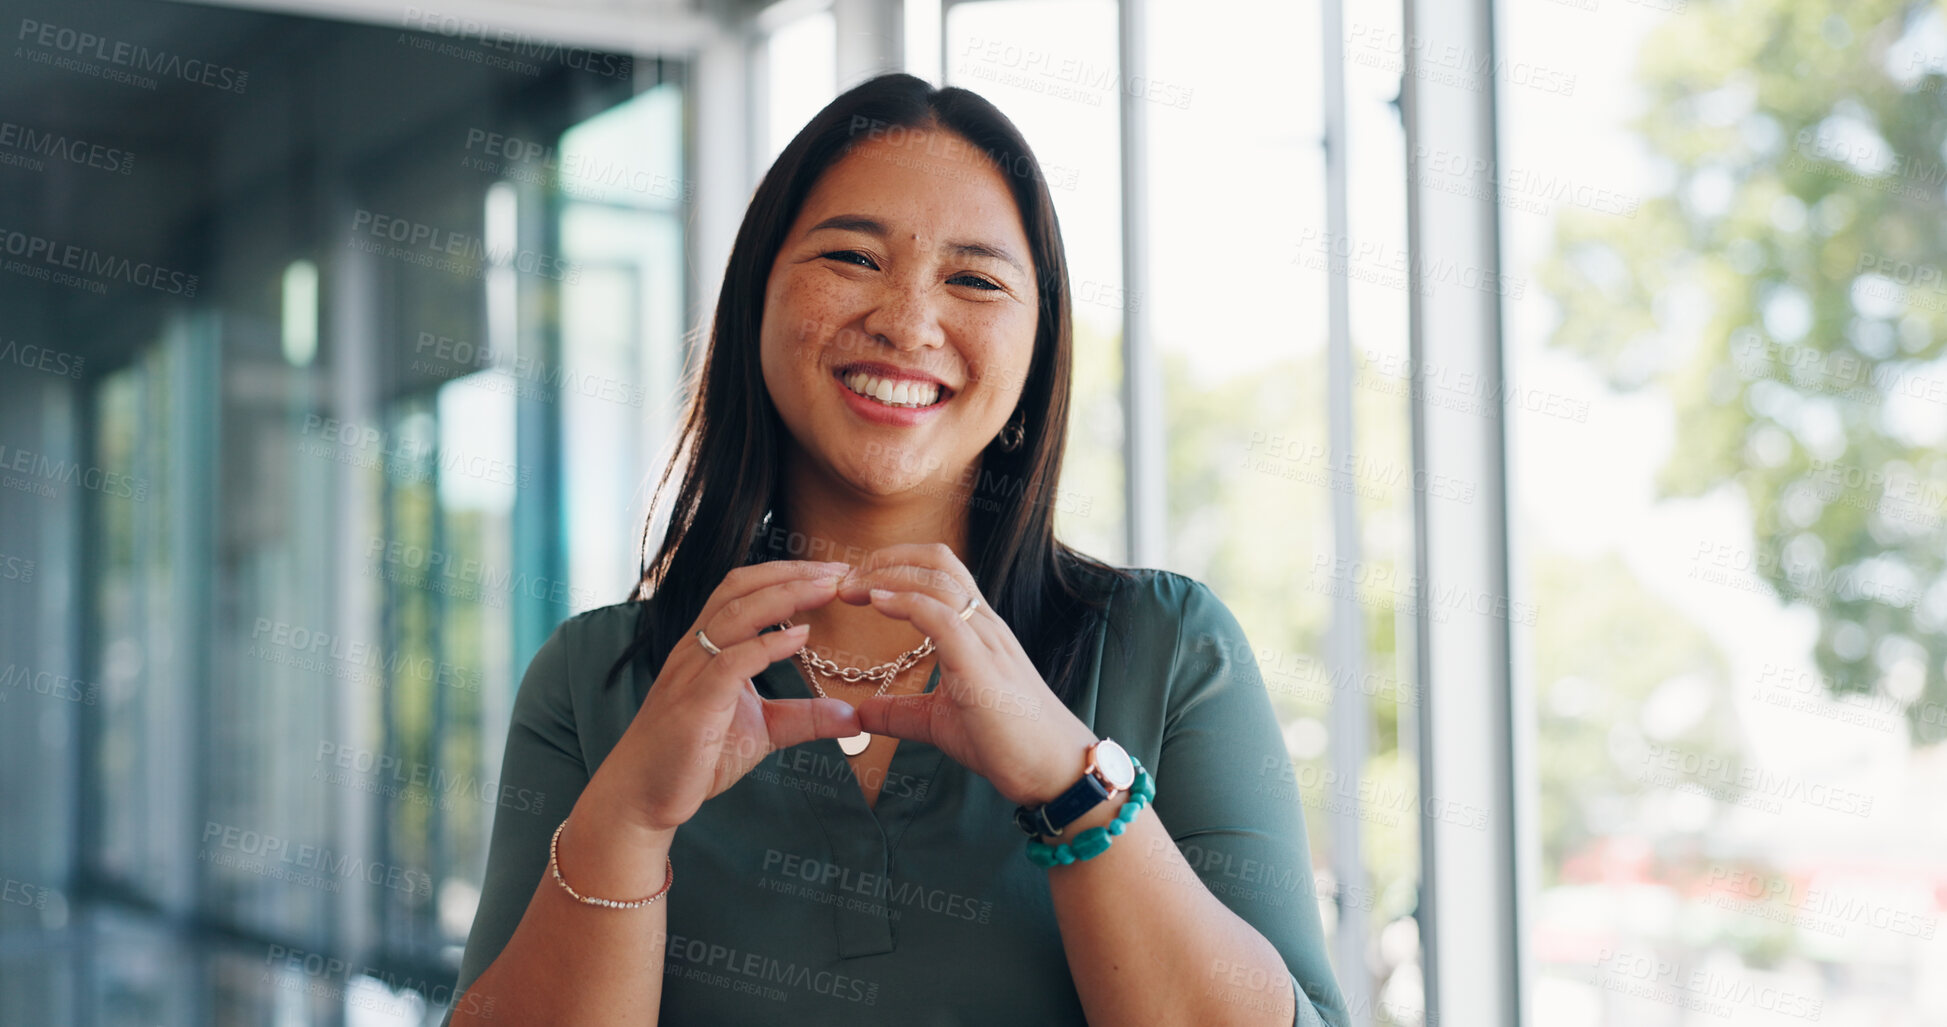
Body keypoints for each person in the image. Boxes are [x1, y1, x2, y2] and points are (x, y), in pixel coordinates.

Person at [447, 71, 1348, 1026]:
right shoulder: (596, 680)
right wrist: (624, 822)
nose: (907, 322)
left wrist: (1069, 780)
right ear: (756, 296)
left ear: (1036, 352)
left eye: (974, 279)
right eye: (851, 257)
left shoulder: (1169, 651)